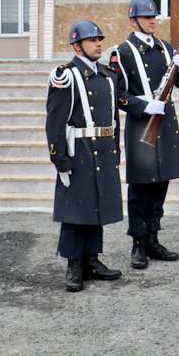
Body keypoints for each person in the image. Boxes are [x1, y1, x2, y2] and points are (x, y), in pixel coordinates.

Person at [106, 0, 179, 270]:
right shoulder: (122, 52)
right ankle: (138, 243)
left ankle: (153, 237)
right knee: (141, 187)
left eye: (154, 16)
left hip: (164, 120)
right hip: (142, 123)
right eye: (146, 17)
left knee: (161, 182)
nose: (153, 20)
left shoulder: (165, 48)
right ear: (133, 20)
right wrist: (142, 106)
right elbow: (117, 93)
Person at [45, 19, 123, 292]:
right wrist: (60, 161)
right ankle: (74, 265)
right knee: (76, 210)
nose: (98, 43)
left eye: (100, 39)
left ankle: (92, 259)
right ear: (77, 45)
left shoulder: (107, 76)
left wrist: (115, 151)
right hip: (78, 152)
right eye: (92, 40)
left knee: (96, 206)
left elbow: (114, 119)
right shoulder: (65, 75)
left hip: (102, 150)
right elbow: (55, 123)